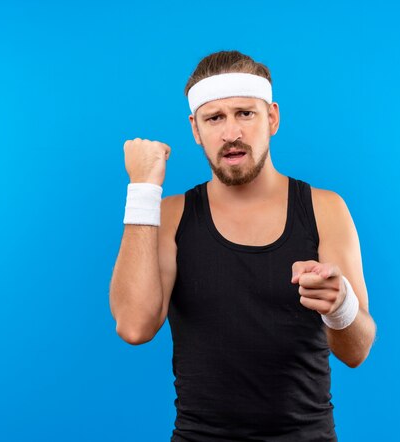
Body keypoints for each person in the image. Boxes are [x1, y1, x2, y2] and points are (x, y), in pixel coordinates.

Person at [109, 50, 377, 442]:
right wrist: (143, 190)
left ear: (272, 118)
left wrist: (340, 306)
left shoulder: (325, 209)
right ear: (195, 130)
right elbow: (134, 326)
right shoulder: (170, 216)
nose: (230, 132)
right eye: (214, 118)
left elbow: (357, 351)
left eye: (244, 114)